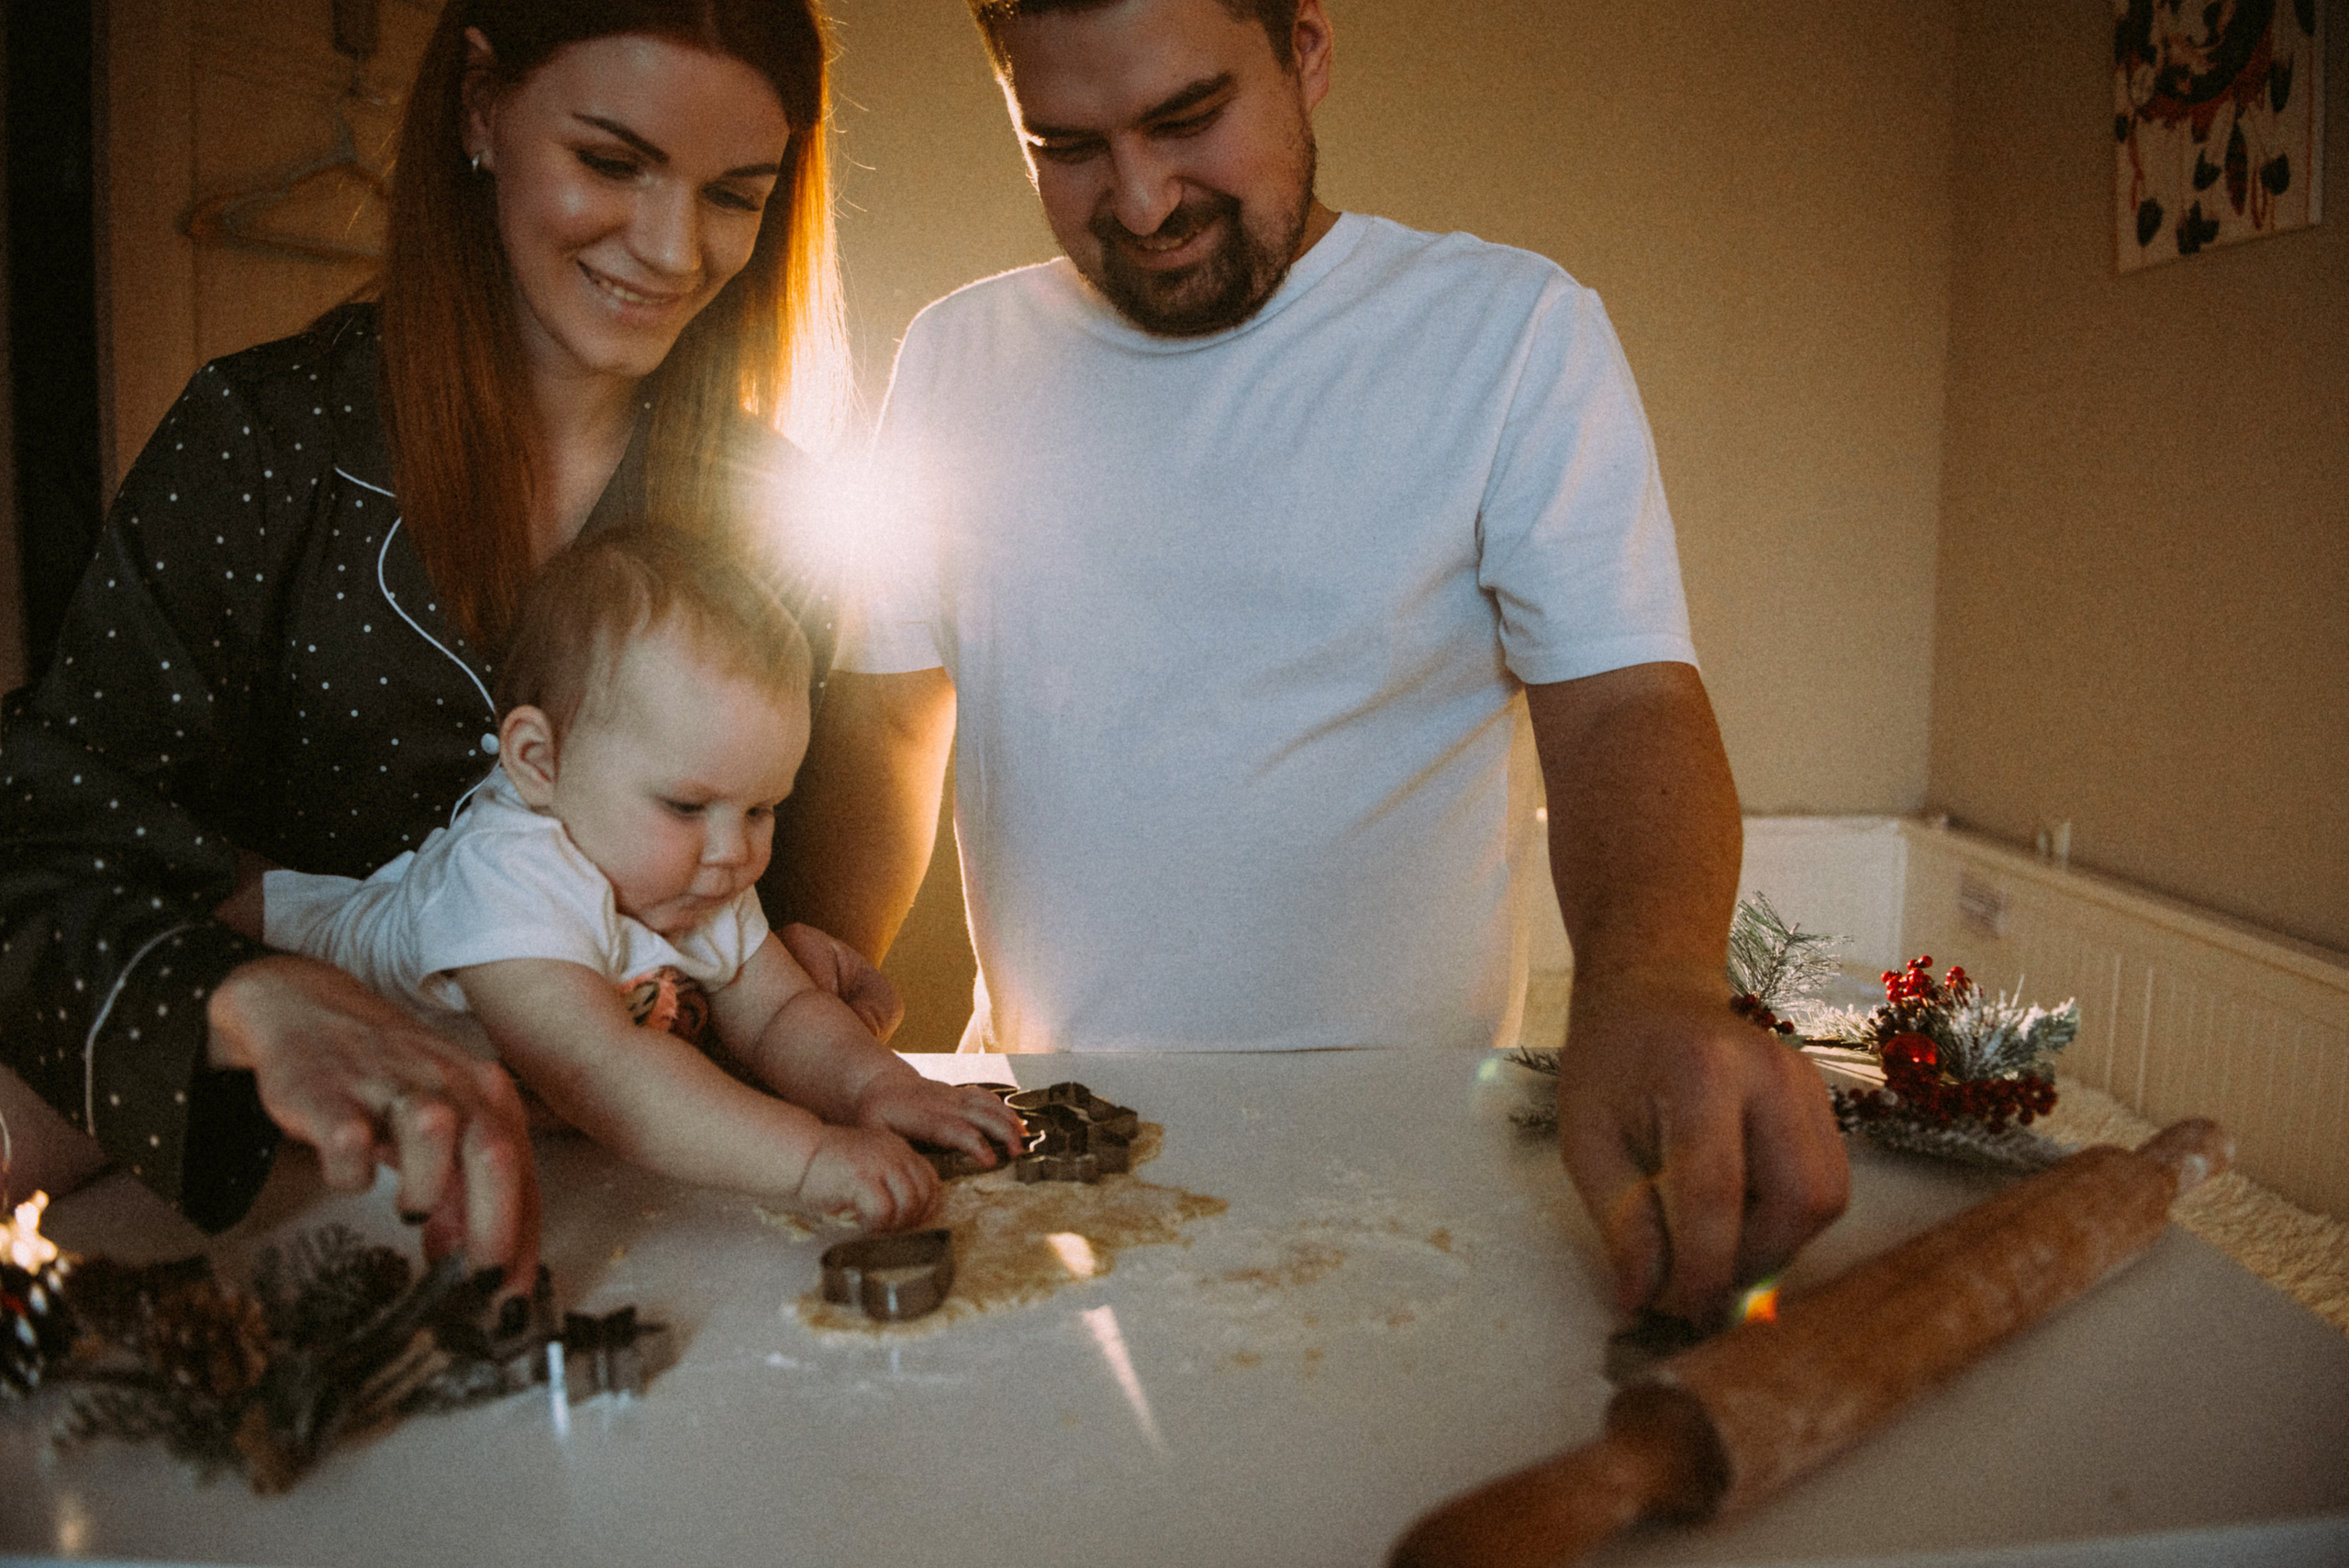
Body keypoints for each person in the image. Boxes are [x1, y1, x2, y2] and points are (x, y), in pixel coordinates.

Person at [774, 0, 1849, 1328]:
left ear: (1308, 53)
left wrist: (1656, 986)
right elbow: (886, 727)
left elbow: (1624, 702)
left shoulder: (1511, 330)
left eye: (1189, 120)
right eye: (1068, 145)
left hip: (1410, 1145)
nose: (1145, 199)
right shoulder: (954, 356)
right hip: (1056, 1146)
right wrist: (805, 997)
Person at [0, 0, 887, 1289]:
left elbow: (763, 909)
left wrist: (800, 982)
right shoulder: (259, 444)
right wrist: (245, 1000)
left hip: (651, 1219)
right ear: (481, 109)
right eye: (612, 162)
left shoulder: (775, 511)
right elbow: (38, 838)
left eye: (735, 196)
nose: (671, 246)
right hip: (251, 1197)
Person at [262, 528, 1027, 1228]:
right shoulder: (508, 873)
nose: (733, 851)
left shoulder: (692, 871)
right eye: (687, 804)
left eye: (762, 807)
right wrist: (812, 1155)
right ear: (538, 761)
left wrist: (881, 1089)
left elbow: (782, 1013)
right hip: (281, 1033)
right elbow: (607, 1079)